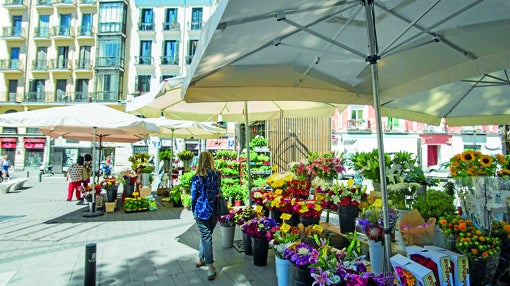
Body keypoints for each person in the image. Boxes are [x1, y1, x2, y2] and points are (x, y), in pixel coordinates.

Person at [190, 151, 221, 281]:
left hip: (201, 212)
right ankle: (201, 258)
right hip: (214, 210)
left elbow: (193, 197)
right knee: (207, 235)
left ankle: (210, 267)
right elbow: (219, 189)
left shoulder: (196, 177)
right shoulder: (217, 174)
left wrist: (193, 210)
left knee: (206, 236)